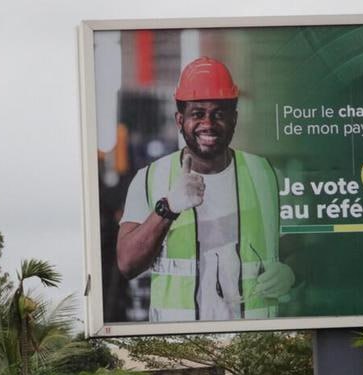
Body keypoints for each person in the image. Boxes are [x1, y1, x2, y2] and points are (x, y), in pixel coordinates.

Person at [116, 57, 295, 322]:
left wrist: (292, 273)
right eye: (197, 113)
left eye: (219, 113)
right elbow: (127, 263)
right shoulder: (150, 178)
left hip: (256, 344)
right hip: (179, 343)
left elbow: (300, 247)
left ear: (234, 119)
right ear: (180, 120)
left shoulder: (266, 175)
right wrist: (168, 207)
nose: (208, 124)